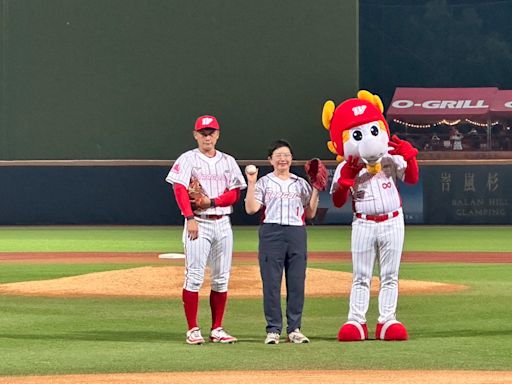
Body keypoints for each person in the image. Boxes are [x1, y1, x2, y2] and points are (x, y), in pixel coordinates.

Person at [321, 90, 419, 341]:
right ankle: (356, 320)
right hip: (363, 223)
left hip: (393, 220)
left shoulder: (389, 158)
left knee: (390, 275)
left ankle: (387, 320)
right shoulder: (346, 165)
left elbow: (411, 178)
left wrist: (410, 157)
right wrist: (344, 182)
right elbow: (338, 201)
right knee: (361, 276)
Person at [165, 115, 247, 345]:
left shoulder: (228, 161)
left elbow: (235, 193)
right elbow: (180, 189)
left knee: (221, 278)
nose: (207, 136)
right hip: (198, 223)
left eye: (211, 132)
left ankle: (217, 328)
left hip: (222, 222)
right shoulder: (187, 159)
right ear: (195, 135)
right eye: (203, 132)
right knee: (194, 277)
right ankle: (193, 329)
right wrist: (189, 217)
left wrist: (211, 202)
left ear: (218, 135)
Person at [244, 139, 320, 344]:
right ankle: (274, 329)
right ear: (270, 160)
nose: (282, 159)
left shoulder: (300, 183)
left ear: (291, 158)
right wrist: (251, 182)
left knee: (296, 283)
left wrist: (316, 189)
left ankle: (294, 328)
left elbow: (310, 213)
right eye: (278, 155)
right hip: (271, 232)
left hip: (296, 232)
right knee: (271, 283)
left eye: (286, 155)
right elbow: (251, 209)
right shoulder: (264, 182)